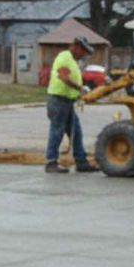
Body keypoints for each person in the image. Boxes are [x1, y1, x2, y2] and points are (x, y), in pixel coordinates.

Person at [45, 36, 98, 174]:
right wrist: (79, 88)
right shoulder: (64, 57)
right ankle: (51, 162)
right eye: (84, 51)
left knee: (76, 132)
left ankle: (81, 161)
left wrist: (79, 92)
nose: (84, 54)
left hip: (67, 102)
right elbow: (63, 77)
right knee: (57, 131)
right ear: (76, 47)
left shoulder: (73, 61)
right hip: (58, 101)